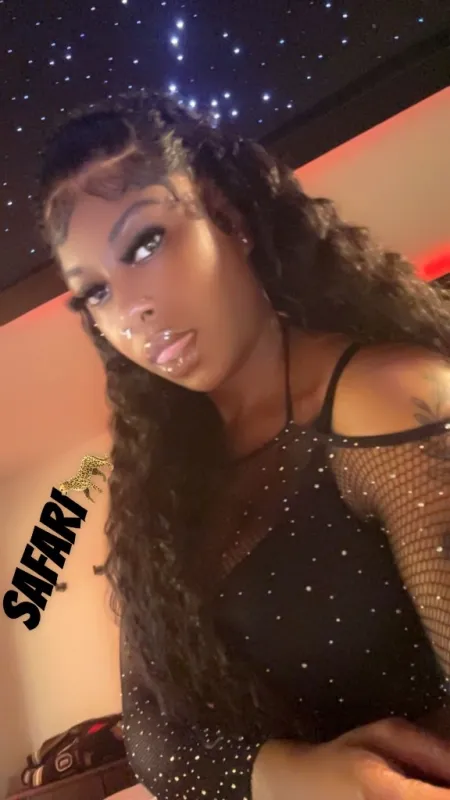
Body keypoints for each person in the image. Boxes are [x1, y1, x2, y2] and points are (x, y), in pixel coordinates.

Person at [35, 89, 450, 799]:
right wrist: (291, 774)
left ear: (229, 218)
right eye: (95, 292)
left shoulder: (390, 402)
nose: (132, 309)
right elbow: (151, 730)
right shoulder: (161, 472)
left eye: (145, 243)